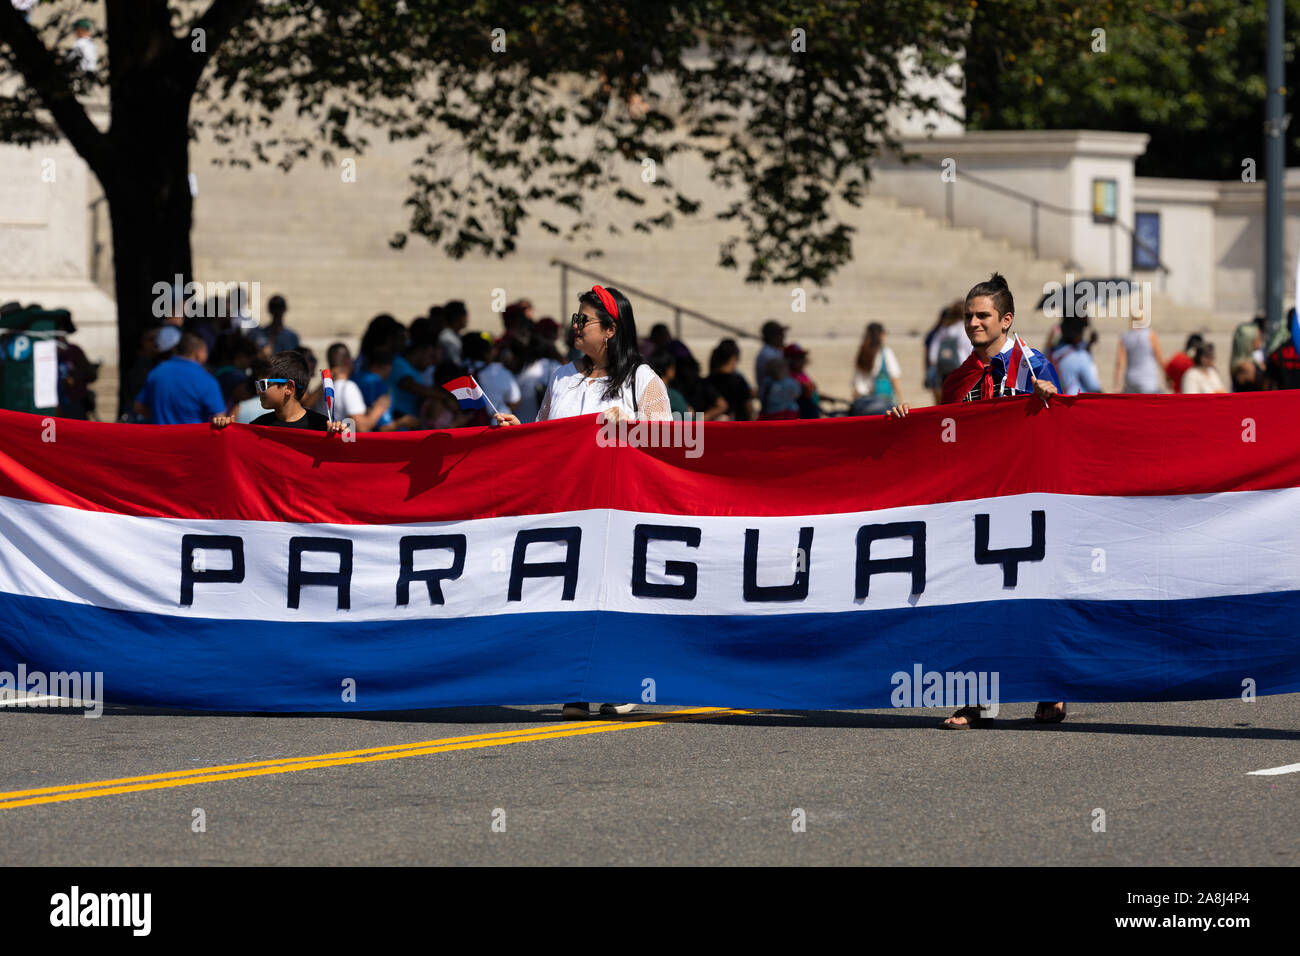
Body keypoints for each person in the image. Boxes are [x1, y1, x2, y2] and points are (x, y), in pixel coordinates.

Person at [886, 272, 1064, 729]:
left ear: (1006, 319)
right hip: (975, 505)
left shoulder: (1035, 365)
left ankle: (1052, 687)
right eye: (968, 316)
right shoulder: (958, 378)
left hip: (1028, 500)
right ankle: (974, 699)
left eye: (983, 316)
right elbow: (944, 435)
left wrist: (1052, 399)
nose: (973, 323)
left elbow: (1065, 429)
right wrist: (907, 422)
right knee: (973, 600)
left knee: (1034, 596)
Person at [496, 285, 670, 720]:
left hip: (618, 509)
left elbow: (674, 441)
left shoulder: (641, 380)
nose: (575, 327)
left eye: (583, 321)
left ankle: (623, 680)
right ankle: (577, 682)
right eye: (575, 319)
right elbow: (544, 437)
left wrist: (632, 423)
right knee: (570, 591)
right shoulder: (561, 377)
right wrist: (518, 431)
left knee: (614, 592)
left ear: (610, 330)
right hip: (568, 507)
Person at [213, 351, 345, 432]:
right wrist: (224, 432)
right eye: (257, 385)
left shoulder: (321, 426)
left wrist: (339, 438)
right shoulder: (258, 427)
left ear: (289, 388)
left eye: (263, 385)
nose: (258, 391)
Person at [133, 332, 226, 425]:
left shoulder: (157, 372)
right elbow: (219, 419)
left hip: (160, 437)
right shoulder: (207, 380)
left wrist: (159, 416)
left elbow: (139, 407)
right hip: (192, 438)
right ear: (199, 354)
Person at [314, 342, 391, 431]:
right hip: (343, 442)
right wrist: (380, 408)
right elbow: (362, 427)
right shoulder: (349, 387)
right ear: (348, 361)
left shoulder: (323, 389)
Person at [461, 331, 521, 424]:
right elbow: (515, 401)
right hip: (497, 424)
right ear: (486, 353)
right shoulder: (500, 372)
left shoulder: (461, 372)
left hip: (469, 428)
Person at [851, 322, 903, 415]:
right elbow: (894, 378)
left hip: (861, 404)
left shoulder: (861, 353)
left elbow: (856, 385)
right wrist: (901, 401)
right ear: (881, 335)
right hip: (881, 404)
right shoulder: (885, 352)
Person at [926, 302, 971, 402]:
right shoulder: (963, 328)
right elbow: (968, 348)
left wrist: (934, 362)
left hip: (943, 368)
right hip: (960, 366)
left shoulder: (943, 328)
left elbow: (934, 348)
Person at [706, 339, 755, 421]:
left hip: (714, 429)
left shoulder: (707, 381)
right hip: (737, 428)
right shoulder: (738, 381)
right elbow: (749, 408)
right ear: (734, 358)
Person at [1053, 317, 1102, 395]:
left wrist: (1089, 344)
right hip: (1077, 401)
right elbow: (1093, 386)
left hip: (1061, 398)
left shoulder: (1056, 352)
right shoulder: (1081, 356)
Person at [1114, 322, 1167, 393]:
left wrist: (1117, 385)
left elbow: (1120, 363)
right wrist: (1167, 377)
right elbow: (1160, 358)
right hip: (1148, 383)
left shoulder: (1125, 336)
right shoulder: (1150, 334)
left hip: (1131, 382)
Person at [785, 344, 821, 418]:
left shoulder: (801, 373)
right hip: (802, 416)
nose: (802, 360)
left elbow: (813, 393)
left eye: (802, 357)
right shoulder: (788, 378)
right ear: (789, 360)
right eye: (798, 358)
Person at [754, 320, 787, 398]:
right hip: (773, 399)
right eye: (779, 334)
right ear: (771, 336)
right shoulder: (767, 354)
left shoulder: (775, 351)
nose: (783, 337)